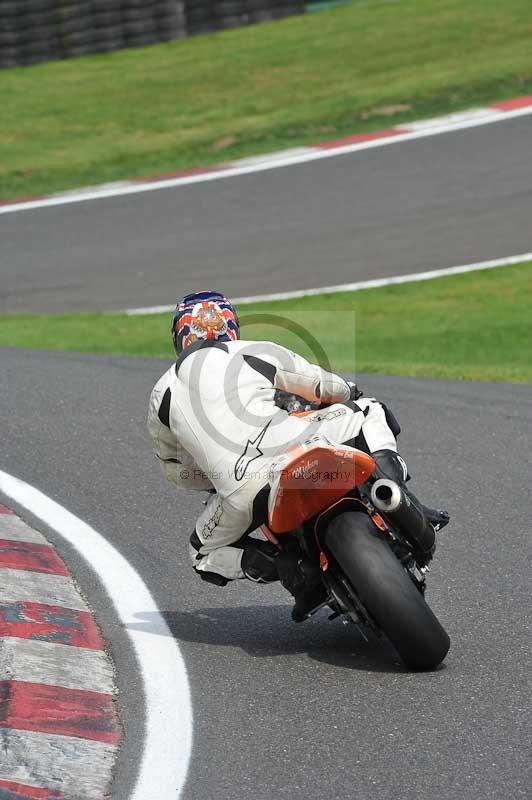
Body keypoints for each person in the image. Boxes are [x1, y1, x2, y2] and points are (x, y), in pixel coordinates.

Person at [147, 289, 445, 621]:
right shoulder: (253, 351)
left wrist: (216, 478)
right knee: (369, 411)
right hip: (295, 444)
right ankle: (395, 493)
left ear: (179, 337)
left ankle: (293, 571)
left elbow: (175, 469)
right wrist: (348, 392)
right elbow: (319, 385)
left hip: (241, 490)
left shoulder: (161, 393)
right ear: (231, 327)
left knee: (201, 554)